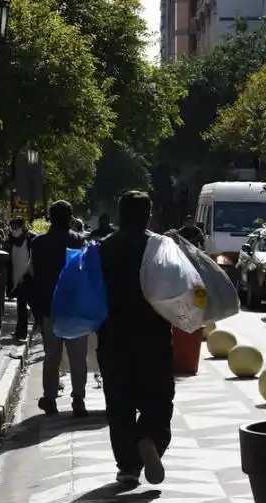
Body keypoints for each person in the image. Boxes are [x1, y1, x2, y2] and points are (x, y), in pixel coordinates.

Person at [98, 190, 174, 487]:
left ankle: (127, 466)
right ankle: (149, 438)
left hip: (113, 336)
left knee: (119, 402)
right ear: (148, 215)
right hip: (153, 336)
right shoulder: (161, 247)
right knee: (158, 398)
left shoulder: (103, 247)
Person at [30, 200, 88, 417]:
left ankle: (50, 399)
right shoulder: (80, 242)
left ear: (49, 218)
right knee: (77, 357)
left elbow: (32, 276)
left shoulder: (37, 244)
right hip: (75, 310)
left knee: (51, 356)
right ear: (71, 219)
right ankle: (78, 400)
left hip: (49, 309)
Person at [5, 217, 36, 340]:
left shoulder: (30, 239)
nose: (14, 230)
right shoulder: (10, 241)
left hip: (29, 276)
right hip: (16, 277)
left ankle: (40, 327)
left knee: (33, 304)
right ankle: (21, 332)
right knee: (21, 306)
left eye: (16, 227)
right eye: (12, 227)